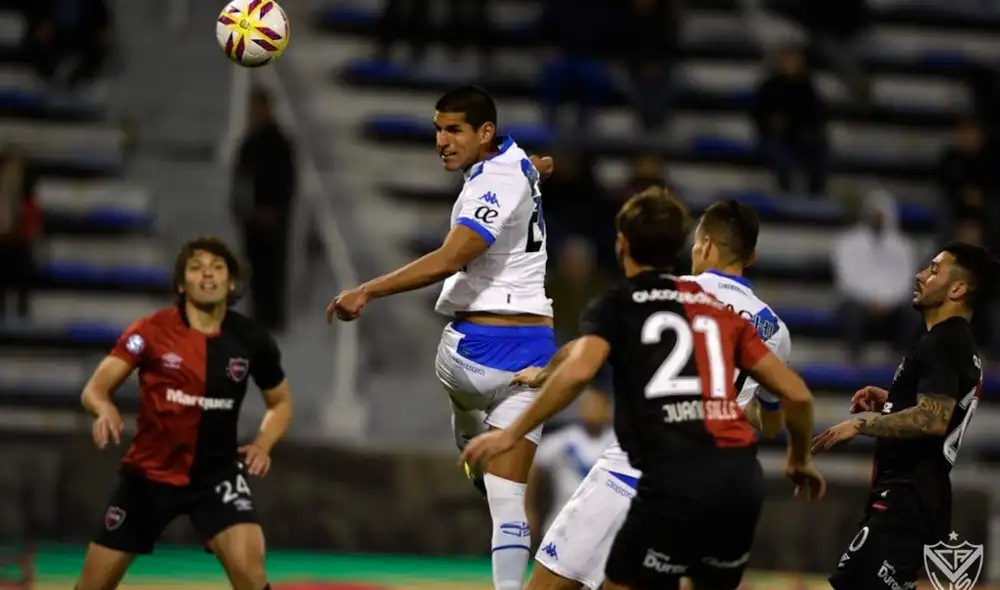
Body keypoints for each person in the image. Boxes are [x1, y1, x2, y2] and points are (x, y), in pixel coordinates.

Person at [461, 188, 825, 590]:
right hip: (713, 484)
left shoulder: (670, 293)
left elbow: (583, 360)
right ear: (751, 256)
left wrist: (541, 381)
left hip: (633, 471)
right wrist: (796, 457)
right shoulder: (773, 330)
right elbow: (776, 415)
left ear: (704, 245)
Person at [327, 86, 554, 590]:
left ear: (484, 133)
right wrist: (538, 169)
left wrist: (367, 290)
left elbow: (451, 258)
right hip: (534, 356)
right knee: (508, 502)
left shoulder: (494, 182)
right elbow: (525, 170)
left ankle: (476, 448)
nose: (441, 141)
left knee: (477, 440)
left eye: (454, 130)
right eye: (437, 129)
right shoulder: (514, 162)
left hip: (471, 356)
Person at [75, 237, 294, 590]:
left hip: (216, 477)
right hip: (149, 475)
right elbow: (94, 390)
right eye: (196, 267)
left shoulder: (252, 340)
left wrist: (263, 444)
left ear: (231, 283)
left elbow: (280, 402)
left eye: (217, 267)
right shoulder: (149, 331)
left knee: (252, 573)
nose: (207, 274)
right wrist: (104, 409)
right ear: (181, 284)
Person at [813, 242, 998, 590]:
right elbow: (943, 410)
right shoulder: (958, 343)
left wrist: (861, 424)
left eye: (934, 270)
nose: (920, 275)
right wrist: (892, 401)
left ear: (958, 289)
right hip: (915, 500)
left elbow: (933, 419)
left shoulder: (944, 343)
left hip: (906, 500)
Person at [231, 87, 296, 332]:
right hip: (253, 217)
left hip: (273, 218)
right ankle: (259, 314)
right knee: (254, 268)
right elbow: (239, 177)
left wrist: (276, 210)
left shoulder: (280, 143)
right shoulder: (250, 143)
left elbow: (287, 181)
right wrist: (240, 209)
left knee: (273, 269)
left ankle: (272, 316)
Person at [527, 387, 615, 541]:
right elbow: (533, 466)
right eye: (589, 405)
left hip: (605, 527)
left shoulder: (618, 442)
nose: (593, 410)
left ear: (608, 409)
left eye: (598, 405)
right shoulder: (563, 440)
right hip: (562, 524)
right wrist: (529, 509)